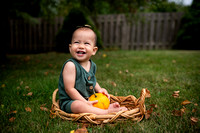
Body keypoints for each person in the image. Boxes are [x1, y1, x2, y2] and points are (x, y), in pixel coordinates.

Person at [58, 25, 127, 115]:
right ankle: (106, 112)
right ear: (70, 48)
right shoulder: (70, 65)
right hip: (71, 101)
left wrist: (99, 89)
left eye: (86, 43)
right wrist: (84, 102)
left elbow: (92, 81)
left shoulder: (92, 65)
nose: (81, 46)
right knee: (79, 106)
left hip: (87, 99)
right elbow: (69, 89)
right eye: (77, 42)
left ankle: (101, 108)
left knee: (98, 100)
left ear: (94, 50)